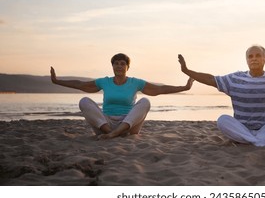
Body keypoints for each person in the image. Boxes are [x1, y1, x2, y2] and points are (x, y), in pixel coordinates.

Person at [51, 53, 193, 140]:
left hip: (128, 126)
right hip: (105, 124)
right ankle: (110, 132)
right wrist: (57, 81)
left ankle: (114, 134)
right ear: (112, 66)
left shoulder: (135, 82)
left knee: (145, 101)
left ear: (127, 67)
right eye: (116, 63)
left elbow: (159, 89)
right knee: (84, 101)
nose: (119, 66)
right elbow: (80, 84)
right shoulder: (104, 81)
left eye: (122, 64)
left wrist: (184, 87)